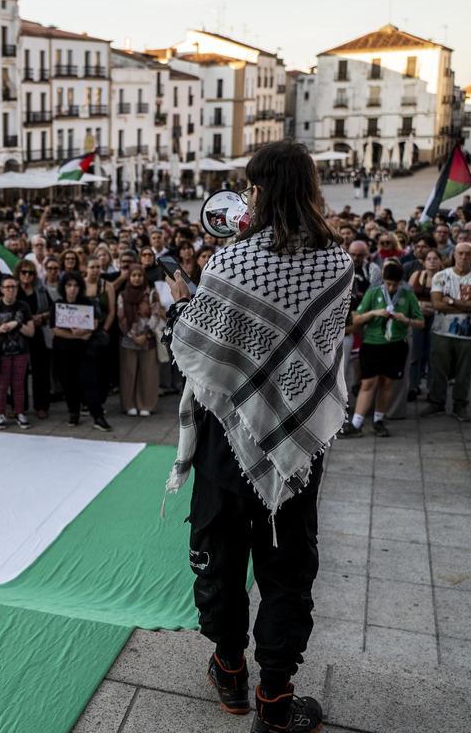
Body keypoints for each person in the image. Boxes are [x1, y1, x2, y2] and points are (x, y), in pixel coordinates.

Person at [166, 141, 351, 733]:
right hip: (293, 442)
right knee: (288, 566)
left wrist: (181, 306)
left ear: (260, 191)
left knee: (221, 556)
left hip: (227, 437)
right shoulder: (339, 265)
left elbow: (195, 350)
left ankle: (229, 671)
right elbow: (310, 354)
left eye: (251, 186)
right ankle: (276, 697)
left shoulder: (232, 263)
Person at [341, 261, 424, 437]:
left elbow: (421, 322)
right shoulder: (374, 292)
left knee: (387, 383)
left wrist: (404, 319)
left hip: (396, 345)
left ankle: (379, 421)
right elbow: (356, 319)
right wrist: (374, 313)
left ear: (401, 282)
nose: (392, 287)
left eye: (395, 284)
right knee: (368, 383)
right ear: (383, 281)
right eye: (388, 283)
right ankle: (357, 424)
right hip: (373, 344)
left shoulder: (407, 295)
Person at [423, 242, 471, 421]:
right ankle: (437, 402)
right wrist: (467, 307)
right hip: (441, 332)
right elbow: (436, 304)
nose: (463, 257)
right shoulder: (441, 276)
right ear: (454, 255)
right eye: (460, 253)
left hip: (468, 335)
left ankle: (460, 405)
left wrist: (451, 302)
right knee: (438, 370)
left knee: (464, 372)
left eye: (468, 254)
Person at [52, 271, 111, 431]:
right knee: (68, 383)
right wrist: (75, 336)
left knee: (90, 383)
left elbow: (94, 323)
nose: (72, 289)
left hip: (84, 352)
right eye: (69, 285)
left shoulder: (87, 303)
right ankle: (73, 412)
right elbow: (55, 330)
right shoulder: (58, 304)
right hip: (64, 352)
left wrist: (84, 332)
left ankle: (98, 416)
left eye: (76, 285)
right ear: (63, 287)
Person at [0, 273, 34, 430]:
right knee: (2, 385)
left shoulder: (23, 306)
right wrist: (1, 328)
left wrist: (17, 324)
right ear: (1, 289)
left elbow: (31, 332)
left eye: (13, 287)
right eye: (7, 287)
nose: (11, 290)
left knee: (19, 384)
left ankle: (19, 412)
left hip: (21, 351)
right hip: (2, 353)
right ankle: (1, 414)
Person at [117, 265, 160, 416]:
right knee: (128, 374)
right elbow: (121, 317)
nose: (136, 278)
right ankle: (129, 404)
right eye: (133, 275)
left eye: (139, 275)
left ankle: (146, 404)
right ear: (129, 277)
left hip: (148, 339)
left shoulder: (151, 293)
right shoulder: (122, 295)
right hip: (129, 339)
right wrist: (133, 336)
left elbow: (156, 315)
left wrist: (146, 335)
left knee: (148, 374)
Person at [15, 260, 52, 419]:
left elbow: (52, 309)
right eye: (24, 272)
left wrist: (42, 316)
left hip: (38, 333)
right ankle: (19, 406)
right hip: (19, 333)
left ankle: (41, 406)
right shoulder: (13, 289)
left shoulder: (41, 290)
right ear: (19, 273)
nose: (27, 276)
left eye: (30, 272)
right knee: (19, 371)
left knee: (40, 371)